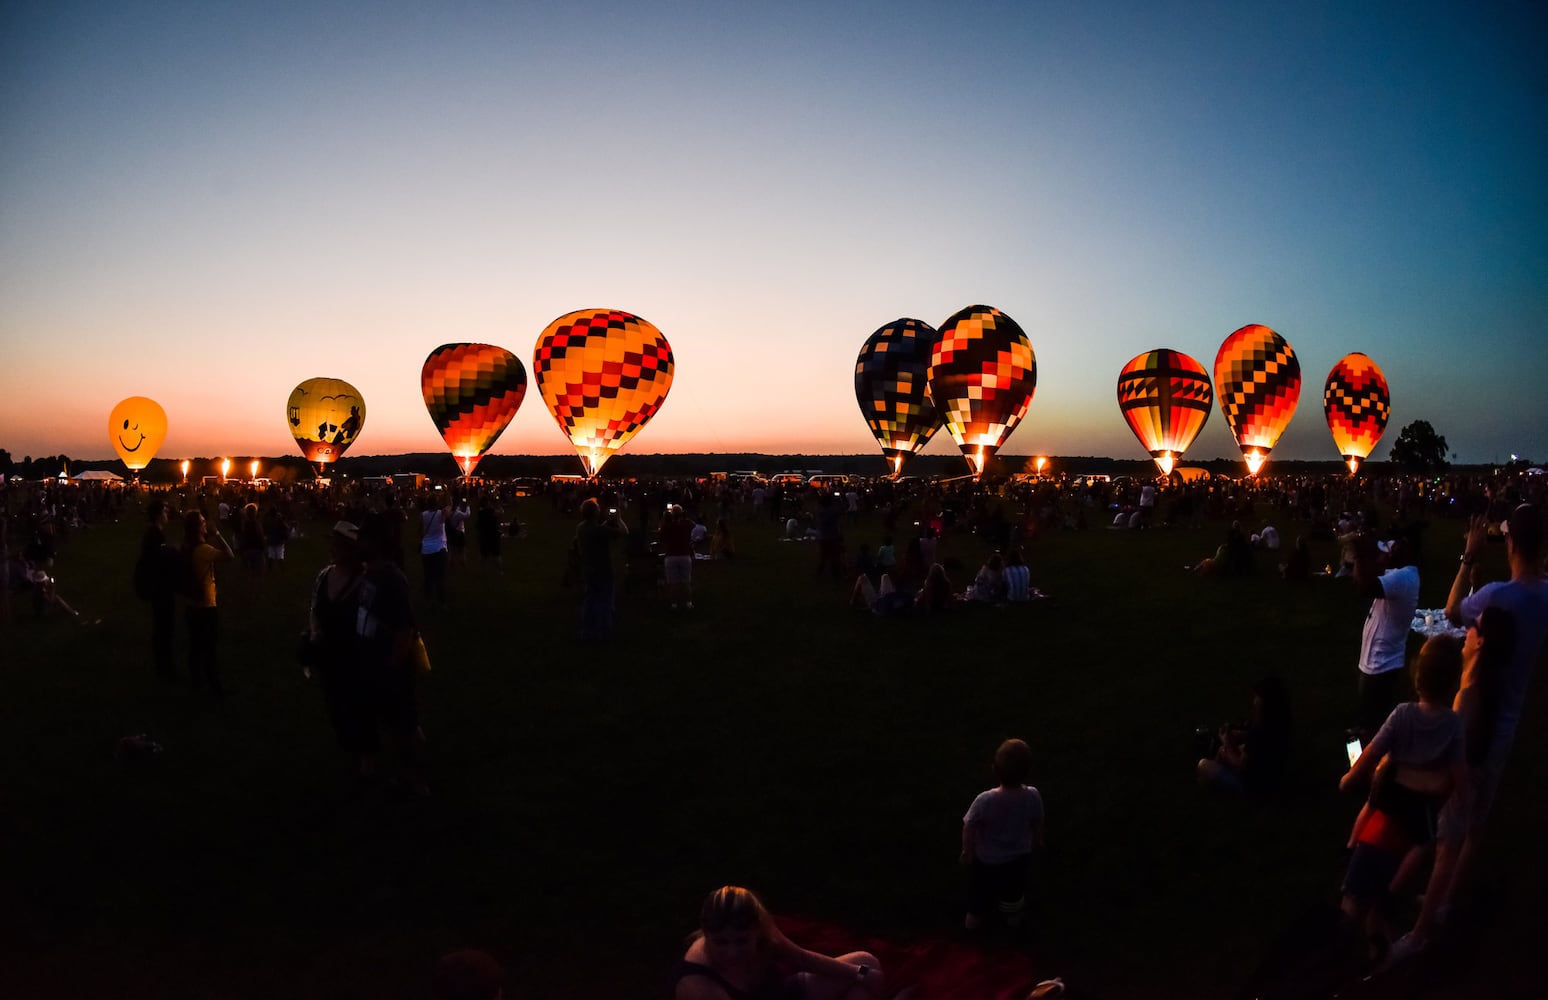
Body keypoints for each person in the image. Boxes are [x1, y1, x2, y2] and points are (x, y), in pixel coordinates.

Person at [1395, 505, 1548, 960]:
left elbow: (1451, 611)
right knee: (1475, 824)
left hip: (1472, 725)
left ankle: (1419, 935)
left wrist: (1467, 557)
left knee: (1448, 833)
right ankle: (1442, 904)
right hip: (1507, 727)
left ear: (1512, 544)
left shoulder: (1499, 596)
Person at [1338, 635, 1465, 957]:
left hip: (1387, 813)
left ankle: (1337, 958)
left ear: (1417, 675)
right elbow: (1459, 776)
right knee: (1386, 898)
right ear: (1453, 682)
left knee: (1353, 900)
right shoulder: (1453, 725)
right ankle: (1381, 950)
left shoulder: (1402, 715)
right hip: (1416, 821)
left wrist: (1349, 779)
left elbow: (1370, 755)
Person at [674, 885, 884, 1000]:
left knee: (866, 964)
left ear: (757, 931)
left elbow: (802, 958)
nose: (732, 952)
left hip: (782, 993)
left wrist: (861, 973)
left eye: (742, 941)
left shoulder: (764, 933)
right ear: (706, 935)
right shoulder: (697, 986)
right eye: (721, 943)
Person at [355, 512, 425, 794]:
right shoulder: (369, 573)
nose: (359, 541)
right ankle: (379, 767)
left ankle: (414, 779)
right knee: (385, 722)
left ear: (376, 542)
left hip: (390, 667)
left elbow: (403, 631)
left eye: (363, 537)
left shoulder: (392, 579)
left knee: (403, 726)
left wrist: (392, 669)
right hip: (372, 663)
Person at [306, 521, 372, 776]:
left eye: (337, 543)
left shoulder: (365, 579)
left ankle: (367, 754)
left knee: (360, 705)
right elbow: (314, 608)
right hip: (328, 655)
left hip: (356, 655)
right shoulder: (324, 575)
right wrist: (314, 633)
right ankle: (350, 746)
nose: (331, 548)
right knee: (335, 704)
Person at [961, 738, 1045, 932]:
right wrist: (1038, 839)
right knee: (1013, 897)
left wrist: (967, 849)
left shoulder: (985, 800)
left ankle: (973, 928)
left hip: (985, 862)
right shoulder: (1033, 795)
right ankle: (1012, 926)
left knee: (978, 900)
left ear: (994, 769)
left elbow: (969, 824)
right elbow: (1038, 820)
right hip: (1018, 860)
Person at [1352, 536, 1420, 741]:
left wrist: (1359, 555)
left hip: (1381, 666)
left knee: (1370, 730)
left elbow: (1364, 586)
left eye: (1392, 548)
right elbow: (1361, 580)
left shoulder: (1404, 577)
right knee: (1368, 722)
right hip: (1375, 663)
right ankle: (1367, 764)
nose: (1387, 553)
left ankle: (1365, 768)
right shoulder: (1399, 574)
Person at [1197, 675, 1292, 798]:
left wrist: (1226, 740)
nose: (1254, 700)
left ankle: (1209, 786)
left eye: (1257, 697)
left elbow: (1240, 766)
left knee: (1202, 764)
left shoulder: (1259, 731)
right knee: (1222, 751)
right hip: (1274, 779)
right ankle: (1211, 784)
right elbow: (1261, 744)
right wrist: (1242, 735)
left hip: (1254, 789)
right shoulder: (1280, 723)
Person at [181, 510, 234, 697]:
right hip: (206, 605)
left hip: (191, 605)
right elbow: (230, 555)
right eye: (203, 522)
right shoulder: (203, 550)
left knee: (195, 648)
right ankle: (215, 688)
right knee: (210, 649)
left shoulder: (187, 547)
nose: (206, 524)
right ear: (197, 528)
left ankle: (196, 682)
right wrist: (218, 534)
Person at [575, 499, 628, 641]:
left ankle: (587, 631)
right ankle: (603, 632)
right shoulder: (600, 530)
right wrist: (619, 519)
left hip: (587, 568)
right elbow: (623, 532)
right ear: (594, 512)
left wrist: (605, 524)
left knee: (589, 600)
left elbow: (598, 531)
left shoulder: (581, 527)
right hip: (603, 570)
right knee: (605, 601)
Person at [138, 498, 179, 680]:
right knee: (164, 628)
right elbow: (157, 559)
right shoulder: (154, 535)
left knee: (162, 628)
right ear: (157, 515)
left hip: (159, 586)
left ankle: (163, 665)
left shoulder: (154, 534)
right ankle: (164, 667)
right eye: (164, 511)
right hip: (160, 588)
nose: (167, 514)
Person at [660, 503, 696, 610]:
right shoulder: (686, 524)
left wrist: (665, 518)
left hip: (671, 556)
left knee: (673, 583)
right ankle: (688, 602)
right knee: (686, 582)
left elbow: (660, 531)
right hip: (685, 555)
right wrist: (684, 517)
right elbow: (693, 524)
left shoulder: (667, 526)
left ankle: (674, 604)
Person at [420, 493, 452, 606]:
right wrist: (447, 494)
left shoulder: (423, 515)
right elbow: (449, 506)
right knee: (440, 577)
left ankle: (428, 599)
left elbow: (422, 531)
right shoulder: (441, 514)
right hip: (439, 548)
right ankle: (442, 602)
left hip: (426, 549)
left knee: (428, 576)